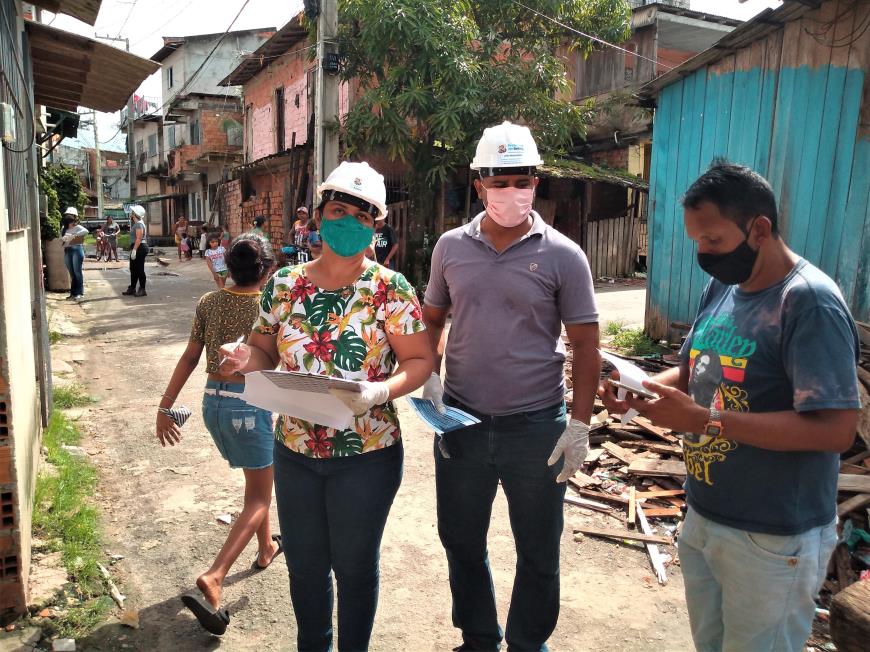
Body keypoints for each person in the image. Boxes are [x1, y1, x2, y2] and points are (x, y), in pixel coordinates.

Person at [599, 162, 860, 652]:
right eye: (696, 240)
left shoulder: (808, 303)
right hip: (706, 513)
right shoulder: (723, 287)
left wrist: (706, 420)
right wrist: (642, 390)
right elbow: (692, 370)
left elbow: (835, 430)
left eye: (713, 240)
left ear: (759, 229)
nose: (703, 253)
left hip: (774, 536)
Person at [219, 161, 433, 652]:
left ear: (376, 226)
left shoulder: (390, 289)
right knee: (305, 566)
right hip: (295, 450)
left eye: (363, 216)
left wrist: (381, 391)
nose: (349, 223)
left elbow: (420, 360)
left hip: (367, 454)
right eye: (339, 211)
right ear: (318, 216)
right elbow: (264, 351)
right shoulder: (284, 284)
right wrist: (244, 358)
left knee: (354, 566)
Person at [422, 121, 600, 652]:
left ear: (536, 183)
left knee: (539, 549)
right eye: (499, 181)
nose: (510, 192)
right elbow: (431, 319)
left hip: (536, 427)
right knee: (460, 539)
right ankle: (479, 637)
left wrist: (579, 425)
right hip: (462, 422)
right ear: (479, 184)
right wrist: (430, 377)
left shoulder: (564, 255)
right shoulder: (450, 248)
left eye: (521, 181)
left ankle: (527, 643)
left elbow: (586, 345)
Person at [156, 234, 281, 636]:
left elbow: (190, 357)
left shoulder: (209, 302)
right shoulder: (271, 305)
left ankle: (266, 548)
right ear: (267, 269)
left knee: (257, 481)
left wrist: (165, 406)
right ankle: (215, 575)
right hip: (250, 406)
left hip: (213, 403)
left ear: (227, 265)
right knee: (260, 495)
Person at [61, 207, 88, 301]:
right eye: (67, 215)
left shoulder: (77, 227)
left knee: (77, 272)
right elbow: (61, 238)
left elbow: (86, 231)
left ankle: (79, 293)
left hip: (77, 250)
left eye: (71, 215)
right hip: (68, 250)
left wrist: (74, 235)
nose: (69, 217)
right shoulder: (64, 228)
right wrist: (64, 238)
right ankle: (73, 293)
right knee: (72, 273)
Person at [123, 205, 148, 297]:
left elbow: (139, 238)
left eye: (132, 212)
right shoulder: (137, 223)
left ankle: (142, 289)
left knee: (140, 269)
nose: (131, 213)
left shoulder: (139, 224)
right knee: (133, 269)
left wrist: (134, 250)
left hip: (140, 247)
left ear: (136, 214)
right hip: (138, 247)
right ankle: (132, 288)